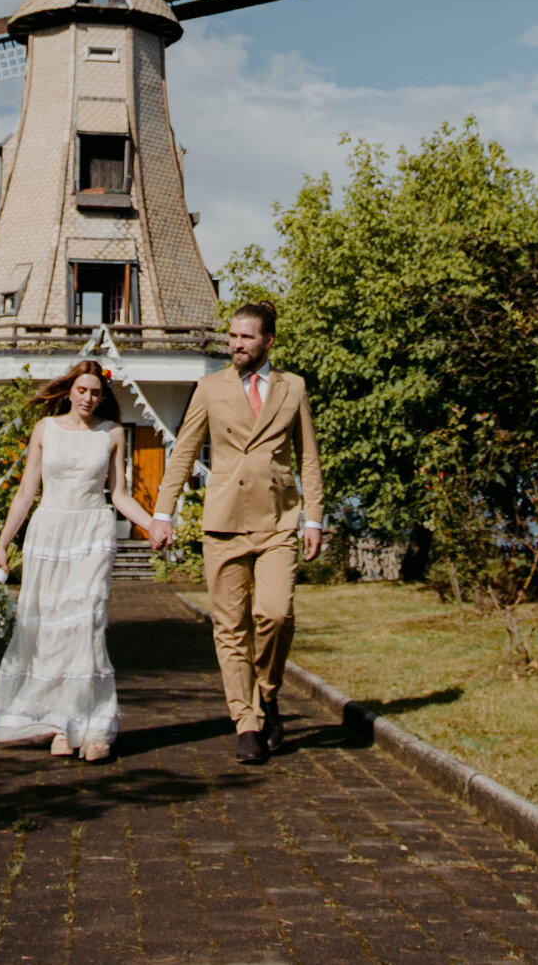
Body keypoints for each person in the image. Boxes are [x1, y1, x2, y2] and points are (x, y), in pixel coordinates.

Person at [148, 301, 323, 764]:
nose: (236, 344)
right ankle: (245, 721)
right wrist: (163, 513)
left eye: (246, 338)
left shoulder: (293, 388)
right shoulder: (210, 388)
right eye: (232, 336)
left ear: (268, 341)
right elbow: (183, 454)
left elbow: (308, 457)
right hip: (224, 521)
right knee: (230, 628)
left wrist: (314, 517)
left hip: (278, 520)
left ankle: (267, 692)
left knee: (275, 615)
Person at [0, 360, 157, 761]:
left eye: (95, 392)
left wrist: (154, 526)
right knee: (50, 629)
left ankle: (94, 727)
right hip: (49, 532)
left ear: (103, 395)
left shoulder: (112, 433)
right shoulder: (45, 430)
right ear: (69, 390)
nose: (88, 398)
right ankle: (62, 724)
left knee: (87, 622)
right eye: (82, 390)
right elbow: (27, 491)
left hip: (92, 531)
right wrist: (2, 544)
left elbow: (119, 495)